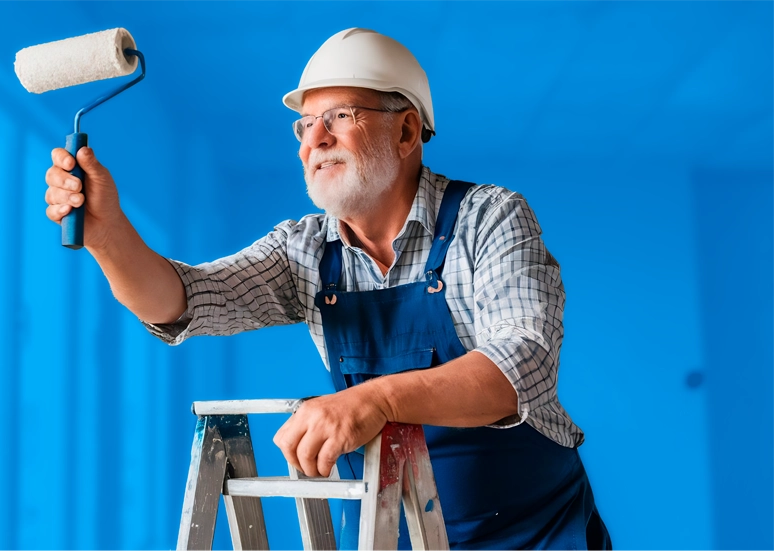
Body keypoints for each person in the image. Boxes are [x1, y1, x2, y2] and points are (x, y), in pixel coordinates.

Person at [44, 27, 611, 550]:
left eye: (338, 116)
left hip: (533, 533)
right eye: (304, 123)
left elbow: (521, 364)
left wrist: (376, 399)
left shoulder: (489, 218)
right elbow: (185, 301)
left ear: (408, 129)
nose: (313, 140)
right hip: (392, 530)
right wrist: (107, 234)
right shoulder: (305, 250)